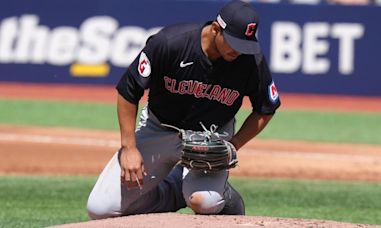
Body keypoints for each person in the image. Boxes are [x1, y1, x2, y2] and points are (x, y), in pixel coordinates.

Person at [86, 0, 281, 219]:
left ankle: (225, 198)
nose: (239, 50)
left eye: (244, 44)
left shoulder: (250, 60)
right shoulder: (170, 43)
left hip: (212, 137)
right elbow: (128, 91)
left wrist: (233, 144)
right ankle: (173, 192)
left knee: (205, 202)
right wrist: (129, 147)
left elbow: (266, 108)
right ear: (216, 29)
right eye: (234, 42)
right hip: (159, 128)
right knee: (101, 209)